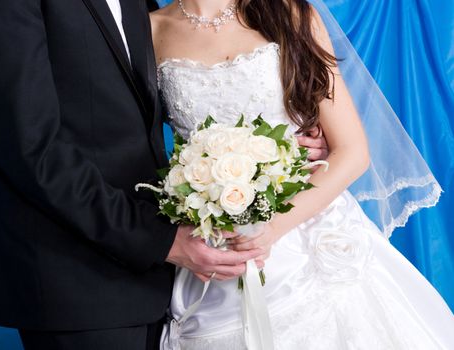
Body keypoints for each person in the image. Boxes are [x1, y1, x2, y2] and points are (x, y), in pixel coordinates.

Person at [0, 0, 328, 349]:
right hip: (77, 277)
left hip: (173, 274)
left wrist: (285, 147)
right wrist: (15, 156)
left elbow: (131, 106)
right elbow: (31, 145)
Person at [148, 0, 454, 349]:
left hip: (303, 229)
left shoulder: (288, 12)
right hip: (213, 242)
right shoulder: (151, 30)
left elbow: (352, 151)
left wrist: (270, 229)